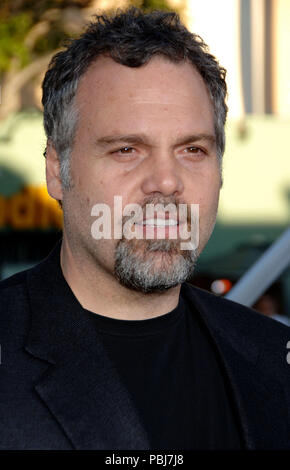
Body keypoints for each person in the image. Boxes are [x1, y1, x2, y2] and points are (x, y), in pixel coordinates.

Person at [1, 8, 290, 451]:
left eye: (193, 149)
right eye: (126, 149)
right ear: (57, 170)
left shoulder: (273, 356)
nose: (167, 182)